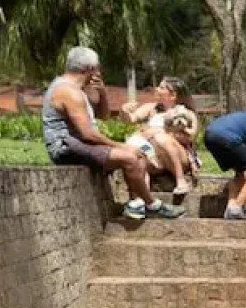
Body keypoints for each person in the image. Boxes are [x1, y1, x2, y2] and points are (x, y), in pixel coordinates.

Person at [42, 47, 182, 220]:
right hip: (65, 147)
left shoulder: (80, 90)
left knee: (138, 154)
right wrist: (120, 146)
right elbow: (88, 134)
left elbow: (103, 116)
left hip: (80, 143)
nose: (100, 72)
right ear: (90, 70)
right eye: (98, 68)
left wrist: (102, 92)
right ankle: (152, 204)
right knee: (130, 157)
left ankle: (136, 204)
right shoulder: (68, 92)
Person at [122, 77, 200, 201]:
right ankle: (140, 200)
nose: (157, 89)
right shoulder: (151, 108)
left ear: (173, 95)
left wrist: (160, 132)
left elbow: (190, 137)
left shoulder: (186, 113)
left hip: (177, 156)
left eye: (162, 88)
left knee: (161, 138)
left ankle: (181, 180)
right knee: (134, 153)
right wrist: (124, 111)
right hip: (152, 156)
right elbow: (131, 119)